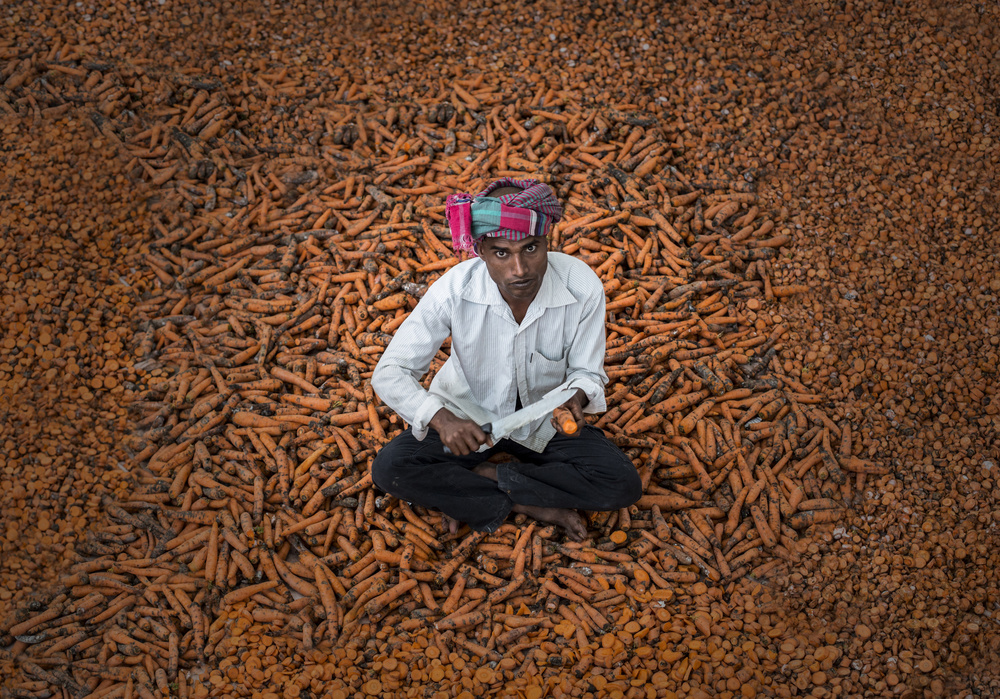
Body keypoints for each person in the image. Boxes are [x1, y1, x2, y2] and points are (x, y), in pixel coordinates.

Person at [370, 177, 641, 541]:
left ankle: (487, 482)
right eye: (501, 253)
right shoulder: (454, 290)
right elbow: (390, 371)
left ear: (548, 242)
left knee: (621, 483)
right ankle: (525, 501)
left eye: (532, 248)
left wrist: (573, 399)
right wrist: (443, 419)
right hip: (470, 422)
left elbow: (585, 371)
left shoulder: (581, 285)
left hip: (545, 424)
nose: (520, 270)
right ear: (481, 251)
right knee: (391, 468)